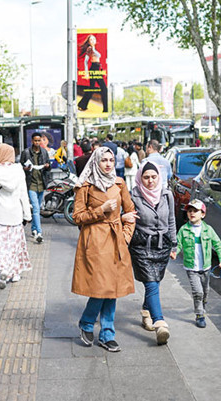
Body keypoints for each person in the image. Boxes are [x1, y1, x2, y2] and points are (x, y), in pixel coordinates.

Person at [71, 147, 136, 353]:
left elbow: (131, 211)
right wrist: (101, 210)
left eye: (111, 160)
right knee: (102, 288)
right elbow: (77, 217)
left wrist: (126, 235)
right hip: (95, 242)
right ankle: (87, 322)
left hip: (116, 241)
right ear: (96, 163)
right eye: (103, 160)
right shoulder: (85, 186)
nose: (108, 164)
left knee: (113, 288)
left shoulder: (119, 183)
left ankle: (107, 333)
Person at [128, 162, 176, 345]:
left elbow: (171, 219)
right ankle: (160, 322)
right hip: (141, 245)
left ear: (159, 177)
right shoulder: (134, 195)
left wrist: (174, 245)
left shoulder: (167, 194)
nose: (150, 181)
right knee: (151, 283)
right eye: (146, 177)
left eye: (153, 177)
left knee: (155, 282)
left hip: (162, 245)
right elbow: (128, 219)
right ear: (140, 178)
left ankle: (146, 312)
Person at [0, 144, 32, 288]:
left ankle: (4, 269)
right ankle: (14, 273)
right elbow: (23, 193)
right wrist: (27, 214)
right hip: (15, 213)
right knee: (14, 244)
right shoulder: (18, 170)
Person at [175, 200, 221, 329]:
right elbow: (178, 244)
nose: (192, 213)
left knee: (205, 291)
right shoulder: (184, 230)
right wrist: (174, 253)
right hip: (191, 268)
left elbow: (218, 245)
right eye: (189, 211)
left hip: (205, 268)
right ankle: (199, 315)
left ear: (203, 214)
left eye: (195, 211)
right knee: (197, 292)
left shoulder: (208, 230)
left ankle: (202, 307)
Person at [19, 132, 51, 244]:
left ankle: (33, 228)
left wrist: (47, 166)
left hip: (41, 183)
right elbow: (20, 166)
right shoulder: (26, 152)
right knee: (36, 209)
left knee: (36, 208)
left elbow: (48, 167)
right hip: (30, 183)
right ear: (32, 141)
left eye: (39, 140)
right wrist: (25, 169)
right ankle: (39, 232)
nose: (37, 142)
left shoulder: (44, 152)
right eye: (35, 140)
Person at [77, 34, 108, 112]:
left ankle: (82, 105)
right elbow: (86, 61)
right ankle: (105, 109)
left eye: (94, 39)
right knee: (104, 89)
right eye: (91, 40)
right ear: (88, 41)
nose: (93, 41)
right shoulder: (90, 48)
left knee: (92, 88)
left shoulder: (93, 48)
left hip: (97, 68)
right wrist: (86, 72)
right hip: (94, 69)